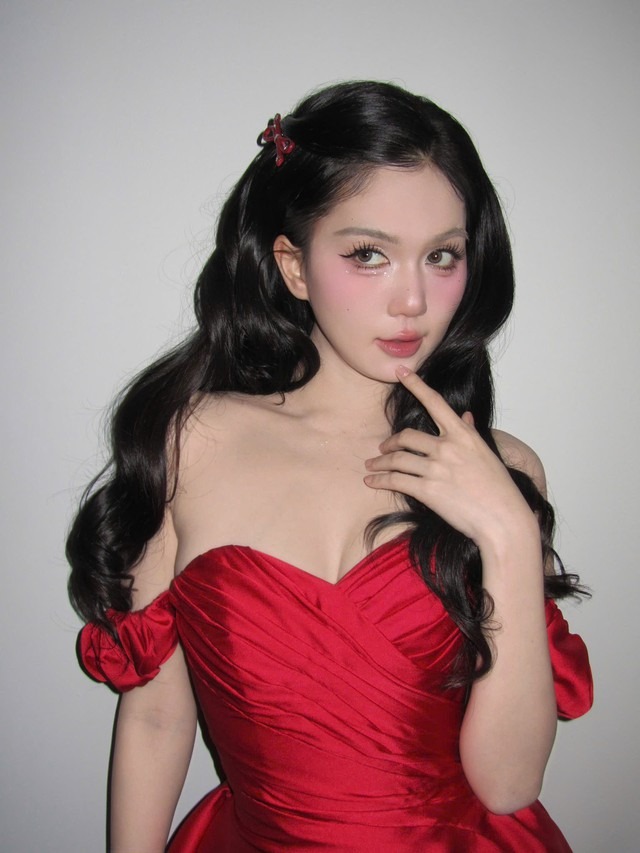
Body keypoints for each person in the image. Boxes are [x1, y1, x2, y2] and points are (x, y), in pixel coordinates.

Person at [68, 81, 592, 852]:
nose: (412, 299)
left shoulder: (503, 471)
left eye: (442, 255)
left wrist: (509, 536)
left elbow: (509, 784)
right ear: (294, 265)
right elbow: (155, 717)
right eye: (369, 254)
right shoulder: (189, 442)